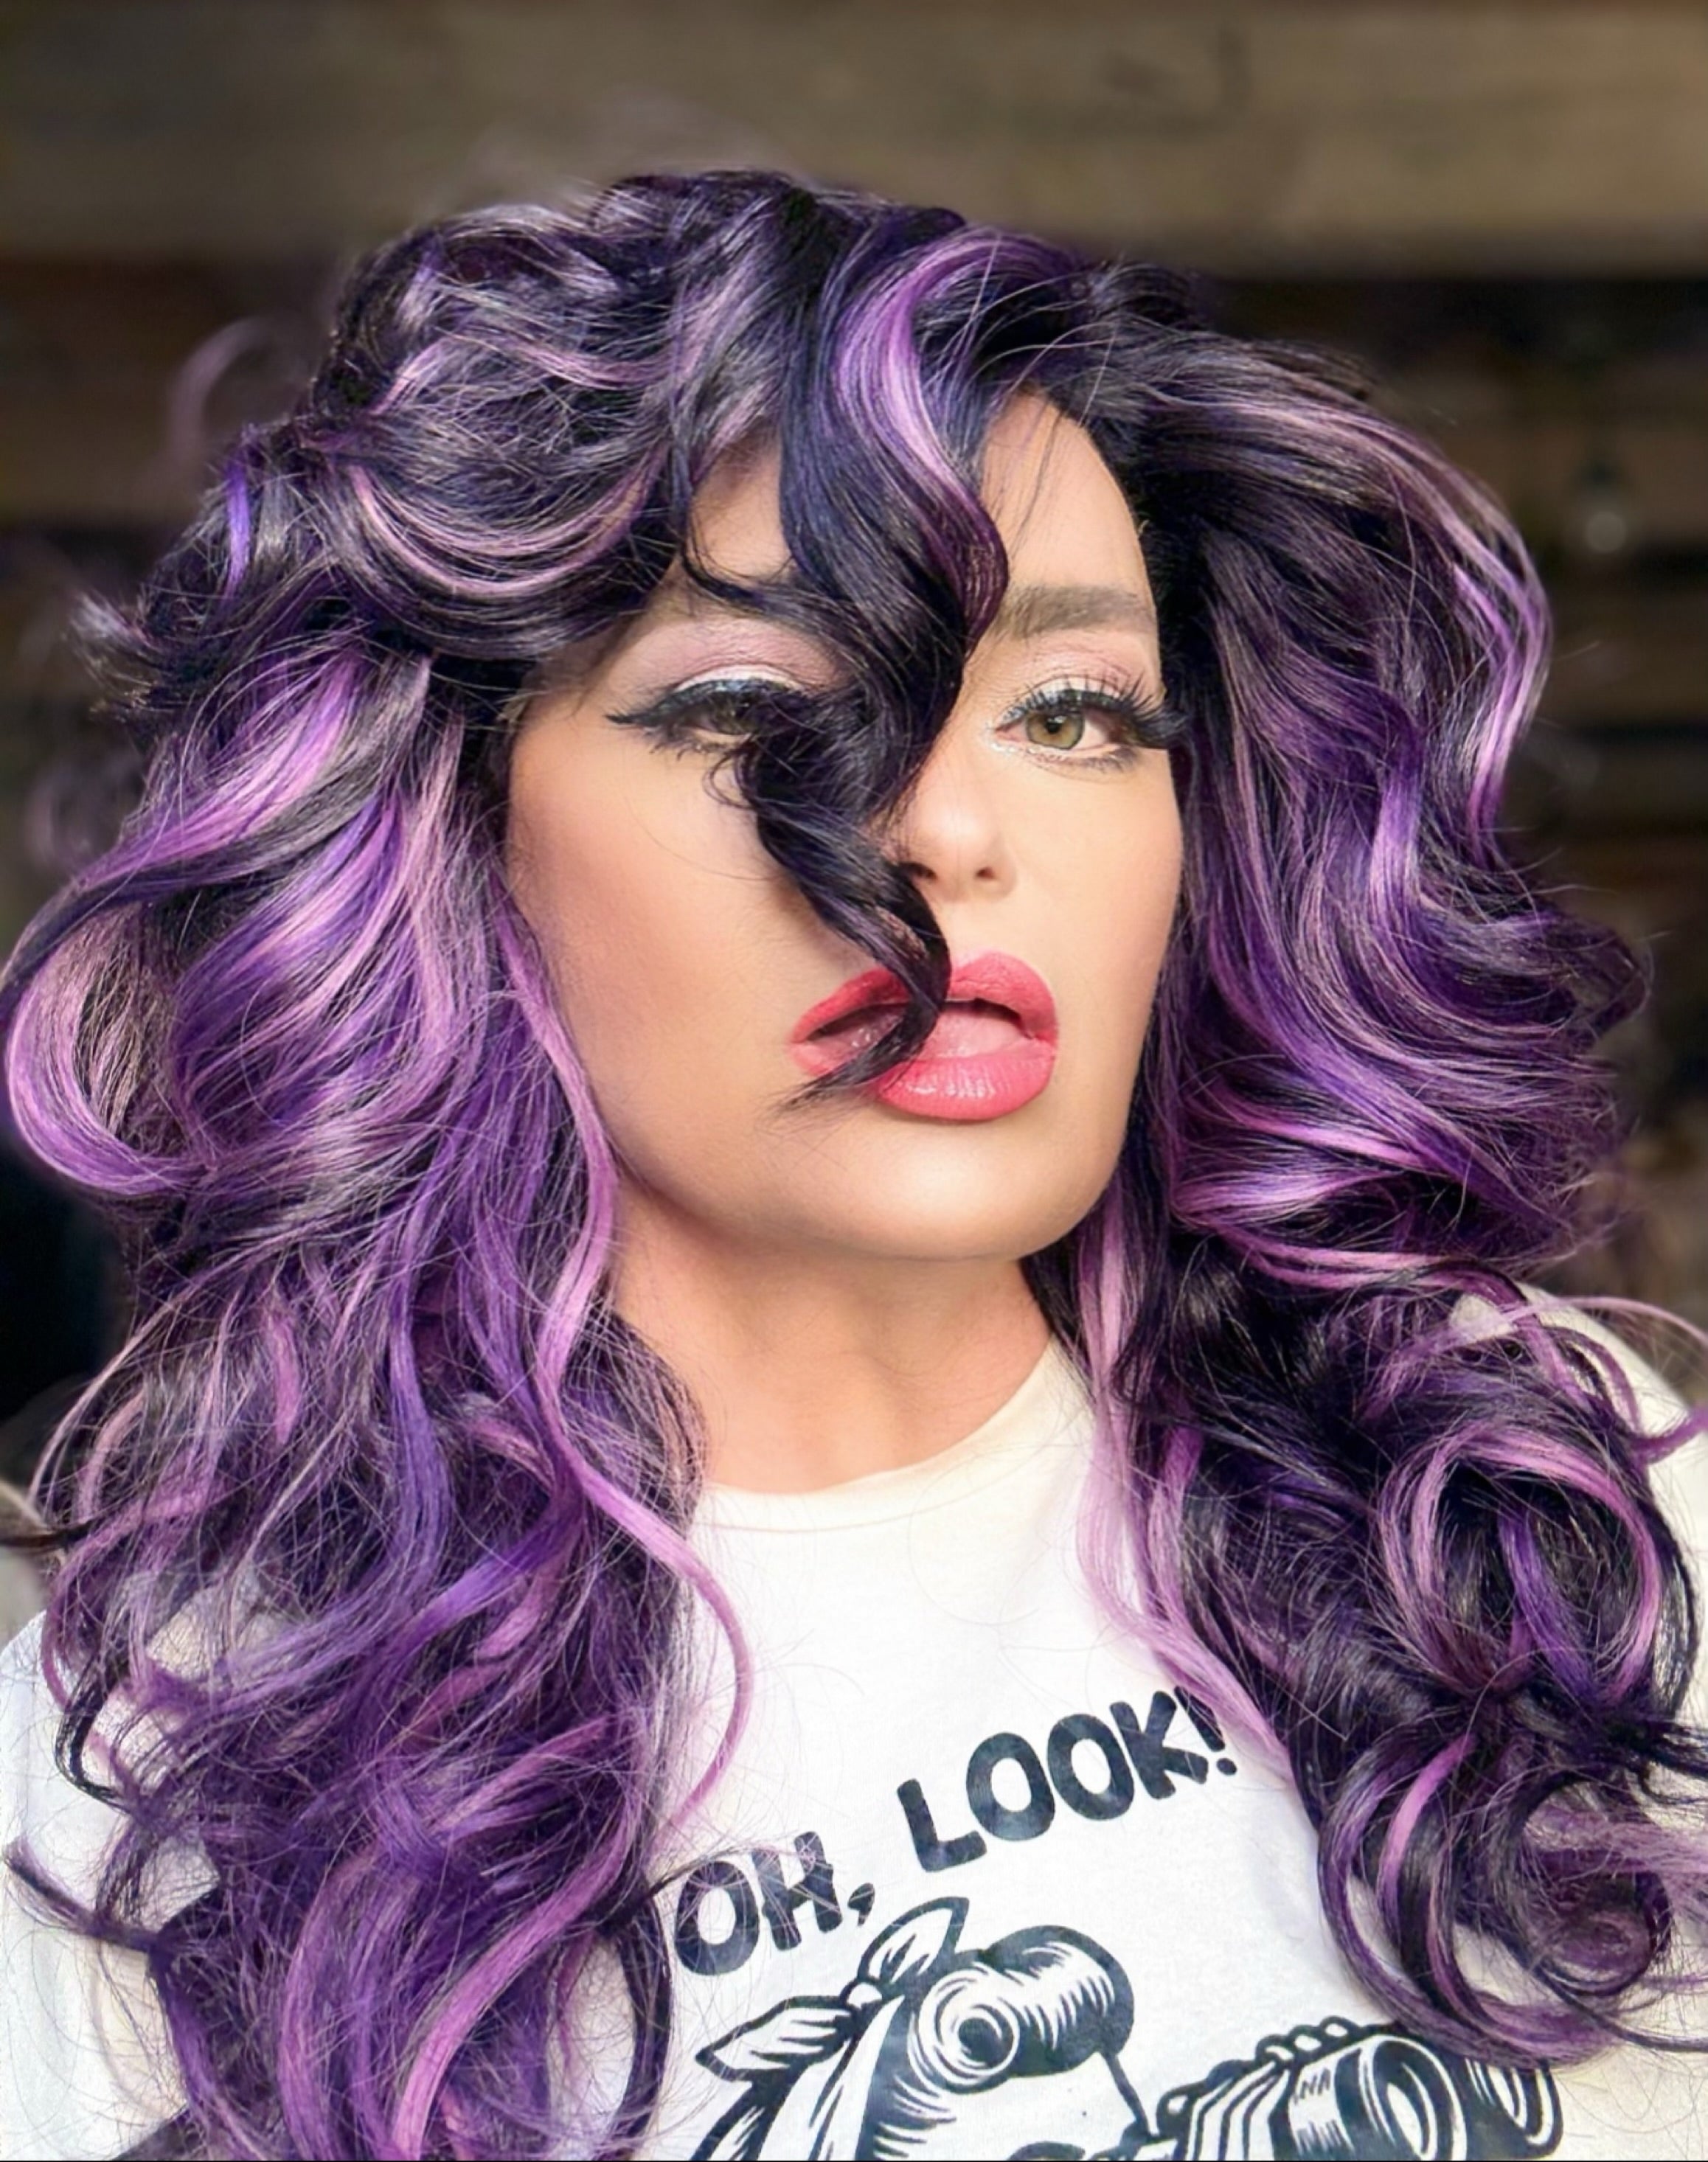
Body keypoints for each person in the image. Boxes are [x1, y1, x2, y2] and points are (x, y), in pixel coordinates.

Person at [0, 169, 1704, 2162]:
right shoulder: (139, 1790)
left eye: (1076, 710)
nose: (952, 831)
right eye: (748, 706)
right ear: (451, 832)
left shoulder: (1548, 1511)